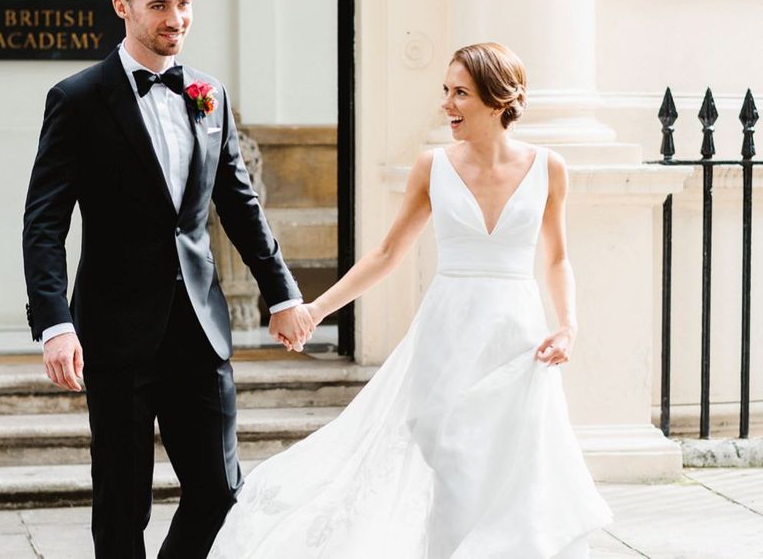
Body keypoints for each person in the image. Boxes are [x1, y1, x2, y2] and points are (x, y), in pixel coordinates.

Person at [209, 42, 613, 558]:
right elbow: (385, 253)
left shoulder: (550, 168)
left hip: (517, 338)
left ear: (497, 99)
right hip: (447, 334)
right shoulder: (432, 167)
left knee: (514, 473)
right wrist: (315, 309)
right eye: (445, 91)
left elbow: (557, 259)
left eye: (460, 93)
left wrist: (569, 325)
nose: (447, 104)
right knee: (450, 458)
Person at [22, 0, 315, 559]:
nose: (175, 18)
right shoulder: (76, 100)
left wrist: (283, 290)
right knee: (122, 506)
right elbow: (44, 223)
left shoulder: (209, 94)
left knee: (218, 494)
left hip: (199, 332)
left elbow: (241, 205)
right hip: (115, 332)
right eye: (159, 5)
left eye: (184, 3)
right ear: (122, 7)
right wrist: (54, 323)